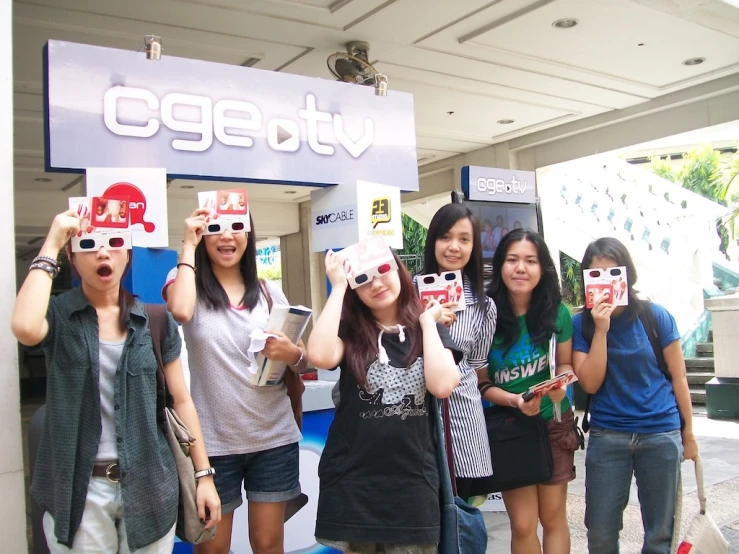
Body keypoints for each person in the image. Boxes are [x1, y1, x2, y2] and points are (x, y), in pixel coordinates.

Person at [11, 209, 221, 553]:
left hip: (150, 484)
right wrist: (52, 240)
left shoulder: (155, 320)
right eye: (89, 244)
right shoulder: (59, 316)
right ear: (72, 256)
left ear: (128, 253)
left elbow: (180, 400)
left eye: (114, 243)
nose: (103, 253)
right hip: (77, 491)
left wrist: (204, 476)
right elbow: (25, 328)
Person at [164, 208, 308, 554]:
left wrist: (290, 353)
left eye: (237, 227)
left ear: (249, 234)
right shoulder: (186, 281)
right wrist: (187, 244)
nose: (227, 236)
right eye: (215, 228)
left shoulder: (268, 290)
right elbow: (180, 312)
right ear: (203, 236)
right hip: (212, 443)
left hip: (272, 436)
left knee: (268, 544)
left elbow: (302, 360)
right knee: (213, 548)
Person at [308, 249, 461, 554]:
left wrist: (428, 323)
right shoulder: (350, 332)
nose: (376, 283)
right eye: (362, 278)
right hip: (354, 485)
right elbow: (320, 355)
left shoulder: (428, 329)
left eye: (382, 270)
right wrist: (338, 286)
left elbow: (442, 385)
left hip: (413, 489)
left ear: (399, 271)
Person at [572, 237, 699, 554]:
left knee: (660, 534)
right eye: (595, 273)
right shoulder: (581, 325)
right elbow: (588, 383)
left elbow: (678, 376)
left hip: (660, 432)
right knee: (600, 533)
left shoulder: (655, 317)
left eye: (613, 272)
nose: (605, 281)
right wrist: (601, 329)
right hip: (607, 435)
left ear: (626, 275)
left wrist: (689, 433)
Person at [477, 229, 580, 554]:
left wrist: (559, 388)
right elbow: (482, 383)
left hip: (553, 423)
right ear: (500, 266)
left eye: (530, 261)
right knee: (522, 523)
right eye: (512, 260)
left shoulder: (557, 313)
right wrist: (514, 401)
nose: (520, 268)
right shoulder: (485, 315)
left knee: (553, 518)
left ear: (543, 268)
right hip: (510, 428)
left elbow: (564, 364)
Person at [419, 203, 497, 501]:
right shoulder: (406, 294)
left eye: (464, 239)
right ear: (433, 241)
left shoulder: (484, 306)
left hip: (462, 419)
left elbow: (477, 366)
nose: (454, 247)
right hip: (414, 418)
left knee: (463, 516)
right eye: (446, 237)